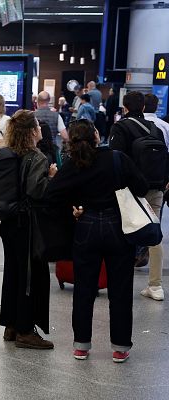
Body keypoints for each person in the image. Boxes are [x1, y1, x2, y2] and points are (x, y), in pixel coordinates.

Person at [45, 119, 148, 362]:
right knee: (120, 288)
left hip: (87, 226)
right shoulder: (117, 158)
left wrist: (74, 207)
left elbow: (52, 194)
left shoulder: (74, 164)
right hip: (118, 227)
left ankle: (82, 344)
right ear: (96, 135)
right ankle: (120, 347)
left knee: (84, 288)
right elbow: (142, 187)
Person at [0, 110, 57, 349]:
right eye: (38, 126)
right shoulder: (36, 157)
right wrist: (51, 177)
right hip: (28, 225)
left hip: (9, 222)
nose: (41, 129)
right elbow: (36, 190)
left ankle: (10, 325)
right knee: (31, 277)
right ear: (32, 131)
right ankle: (25, 329)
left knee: (13, 272)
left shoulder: (8, 154)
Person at [109, 91, 166, 301]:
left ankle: (121, 282)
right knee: (154, 233)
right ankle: (156, 286)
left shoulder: (120, 127)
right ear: (143, 108)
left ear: (124, 107)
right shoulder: (155, 129)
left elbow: (116, 159)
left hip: (129, 190)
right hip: (155, 187)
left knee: (125, 232)